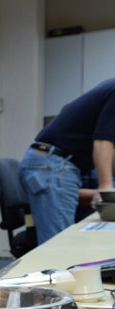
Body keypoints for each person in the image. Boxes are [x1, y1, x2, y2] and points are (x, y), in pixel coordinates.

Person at [18, 78, 115, 244]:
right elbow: (103, 141)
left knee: (67, 247)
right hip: (53, 165)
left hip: (56, 164)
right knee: (58, 249)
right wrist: (106, 188)